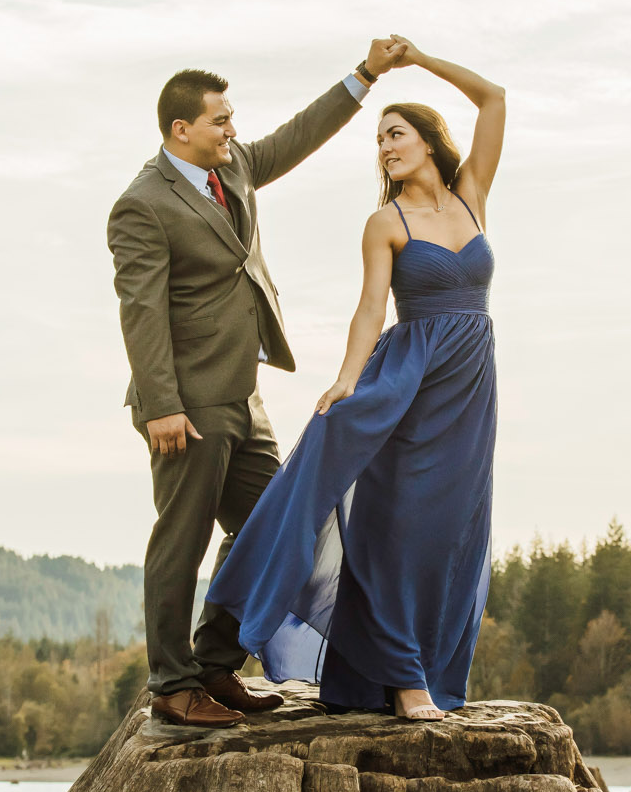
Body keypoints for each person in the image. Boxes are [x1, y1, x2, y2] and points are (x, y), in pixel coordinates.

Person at [109, 39, 413, 728]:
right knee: (180, 542)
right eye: (221, 120)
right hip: (185, 403)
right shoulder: (142, 205)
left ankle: (216, 663)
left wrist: (363, 76)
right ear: (180, 129)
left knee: (274, 526)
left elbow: (296, 137)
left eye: (232, 118)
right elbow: (141, 311)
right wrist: (160, 405)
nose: (234, 130)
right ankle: (171, 684)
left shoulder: (235, 168)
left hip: (245, 396)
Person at [207, 40, 504, 720]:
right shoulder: (385, 222)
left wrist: (419, 60)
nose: (385, 147)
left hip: (473, 389)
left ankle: (431, 670)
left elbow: (495, 99)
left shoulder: (473, 198)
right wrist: (345, 380)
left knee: (454, 531)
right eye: (379, 140)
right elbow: (371, 308)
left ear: (430, 140)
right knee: (396, 525)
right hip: (410, 383)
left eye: (395, 134)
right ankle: (403, 680)